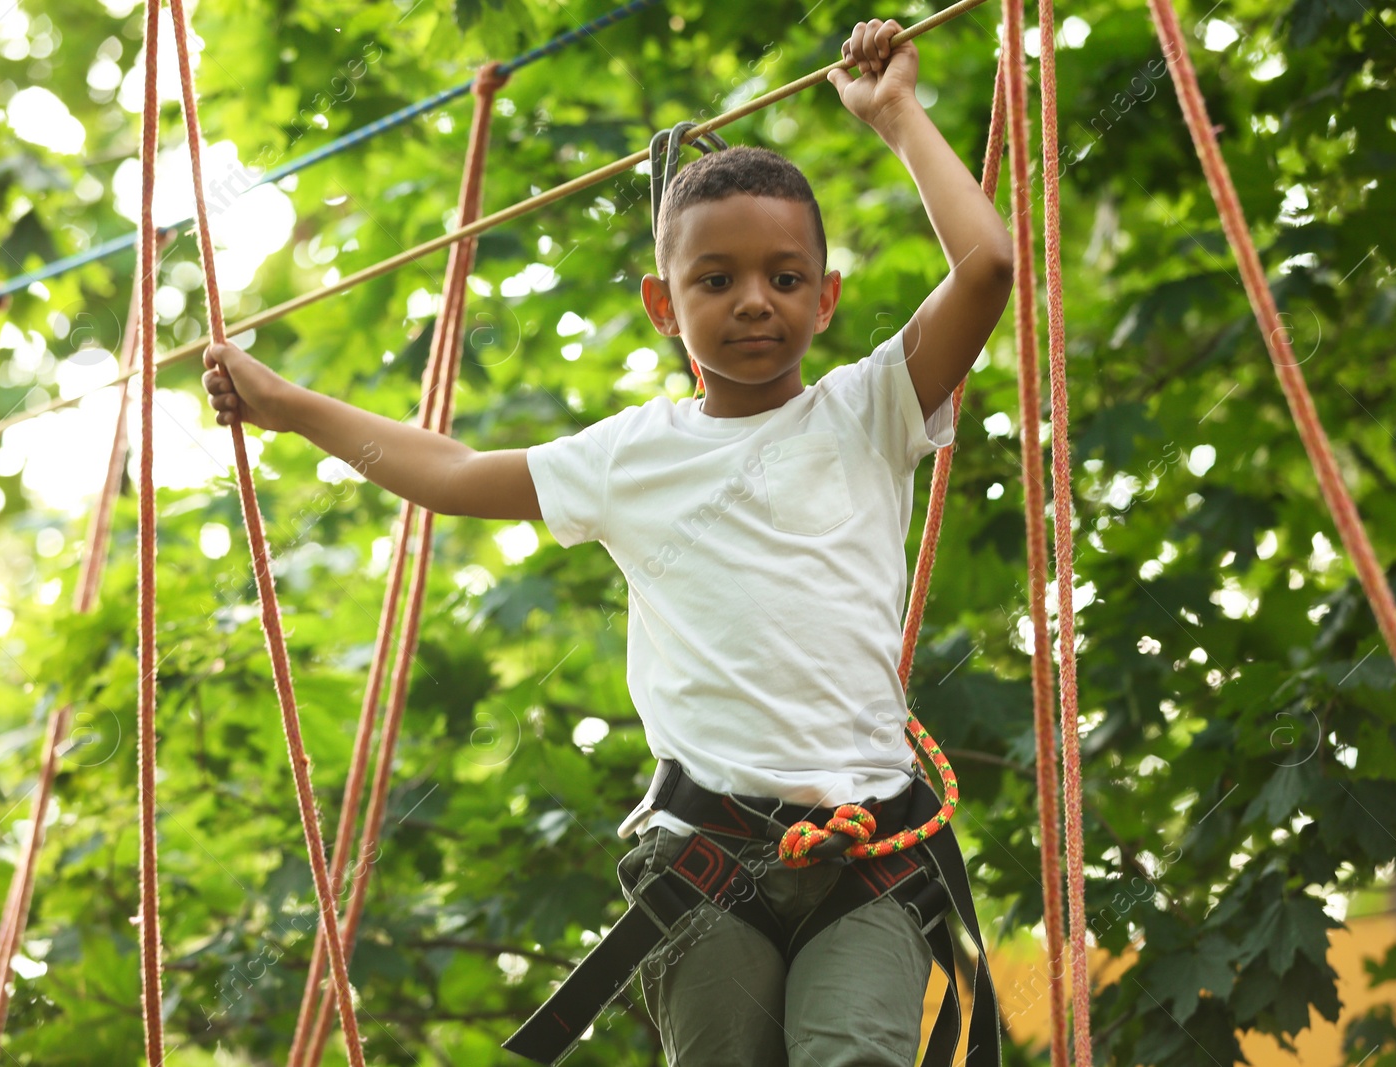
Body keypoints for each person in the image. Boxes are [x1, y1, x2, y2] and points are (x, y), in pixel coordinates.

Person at [204, 18, 1012, 1066]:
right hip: (706, 859)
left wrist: (898, 115)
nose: (752, 300)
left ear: (826, 296)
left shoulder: (871, 410)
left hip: (866, 855)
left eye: (782, 276)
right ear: (661, 307)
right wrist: (289, 405)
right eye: (713, 280)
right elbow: (449, 472)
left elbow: (986, 264)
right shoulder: (630, 455)